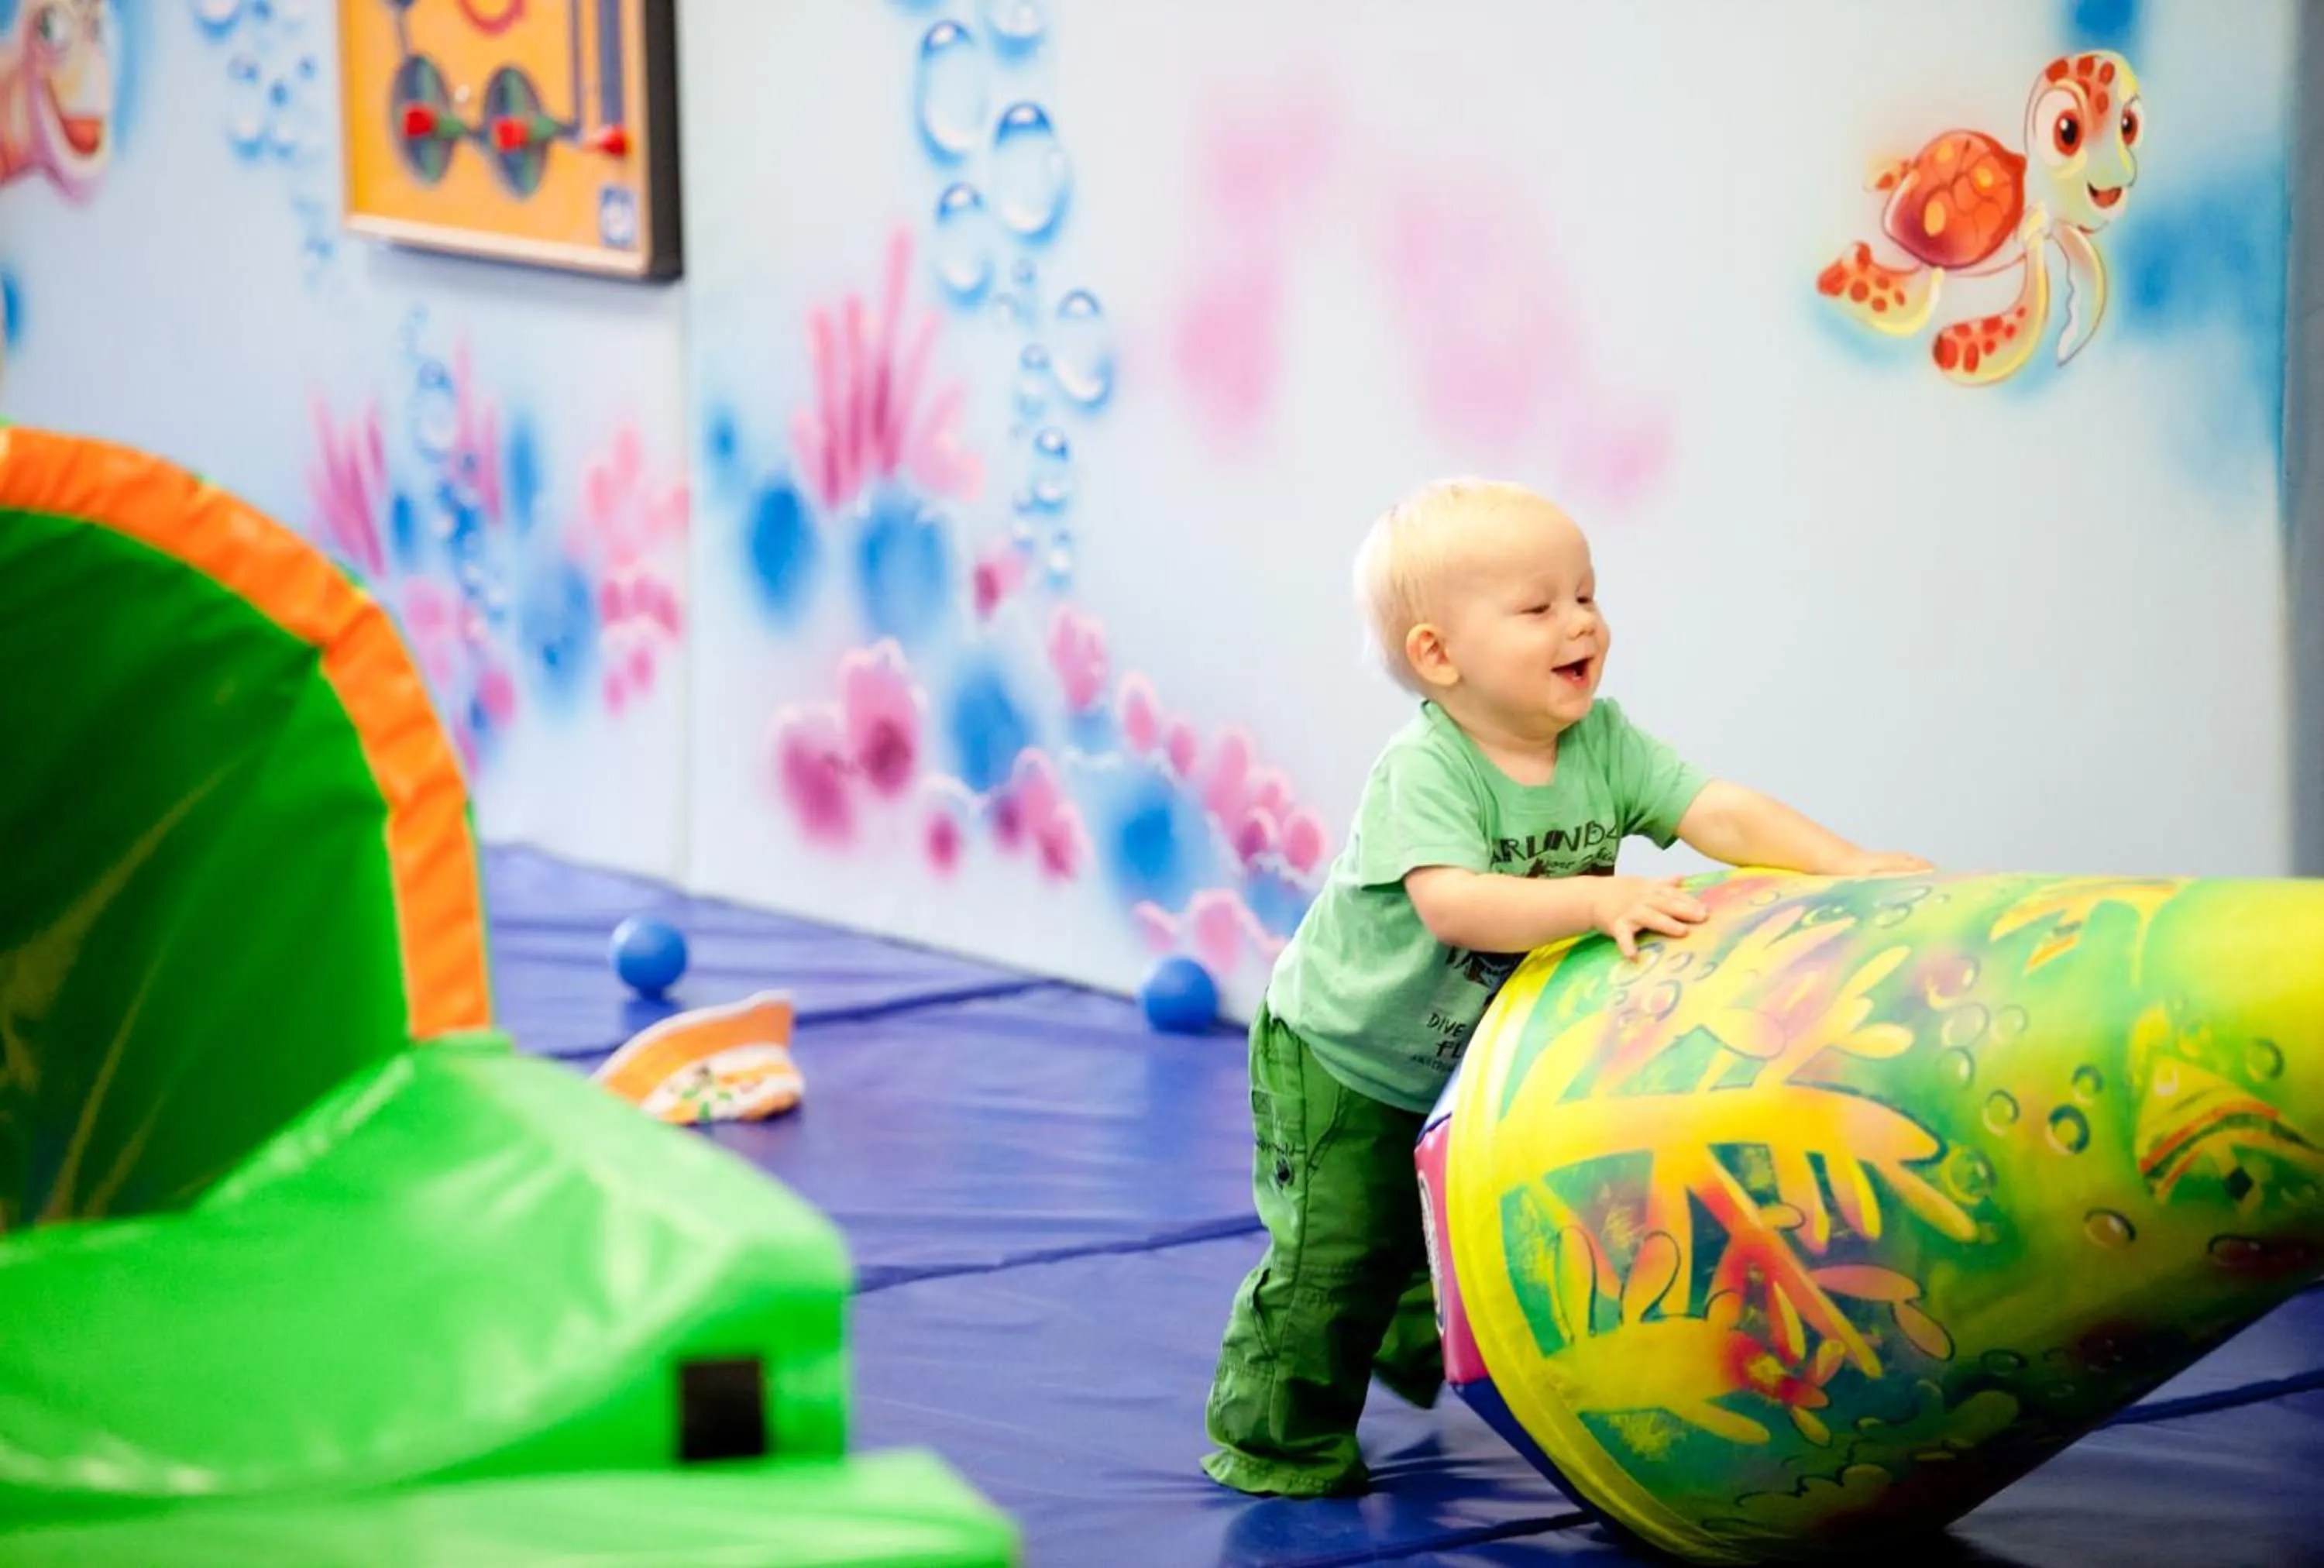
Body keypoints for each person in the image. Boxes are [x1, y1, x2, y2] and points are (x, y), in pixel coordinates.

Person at [1200, 477, 1930, 1498]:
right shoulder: (1430, 769)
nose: (1581, 620)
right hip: (1345, 1055)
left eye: (1586, 595)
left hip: (1470, 1056)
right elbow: (1453, 903)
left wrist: (1840, 863)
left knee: (1437, 1219)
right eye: (1539, 608)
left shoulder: (1602, 743)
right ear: (1438, 656)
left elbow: (1712, 807)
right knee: (1336, 1252)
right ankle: (1273, 1436)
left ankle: (1407, 1330)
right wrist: (1596, 901)